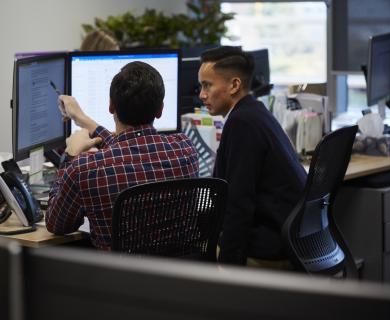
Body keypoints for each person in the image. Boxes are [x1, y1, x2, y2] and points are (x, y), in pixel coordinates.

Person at [46, 61, 199, 250]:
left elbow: (56, 224)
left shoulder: (84, 168)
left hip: (118, 278)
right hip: (180, 275)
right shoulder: (185, 148)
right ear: (160, 109)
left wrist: (69, 156)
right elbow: (130, 148)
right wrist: (83, 119)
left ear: (111, 106)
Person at [198, 46, 307, 268]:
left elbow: (238, 205)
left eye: (207, 85)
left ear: (234, 85)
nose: (202, 94)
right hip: (291, 240)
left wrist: (229, 271)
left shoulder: (242, 123)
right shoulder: (255, 112)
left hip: (271, 247)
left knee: (192, 256)